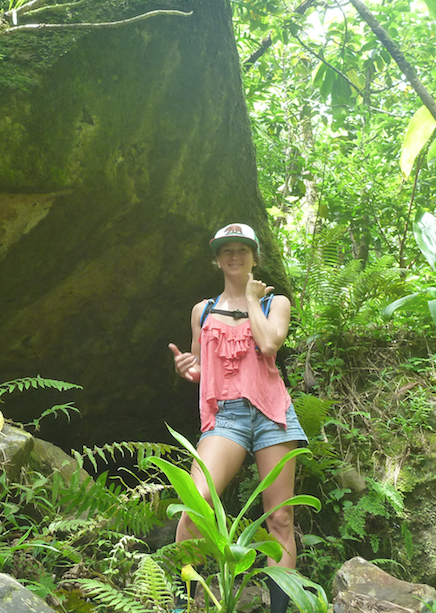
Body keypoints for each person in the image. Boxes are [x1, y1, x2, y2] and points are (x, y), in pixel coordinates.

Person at [168, 222, 307, 613]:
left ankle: (278, 608)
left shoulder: (273, 304)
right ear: (216, 259)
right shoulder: (203, 310)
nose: (234, 255)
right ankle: (181, 604)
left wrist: (249, 298)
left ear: (255, 257)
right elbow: (201, 367)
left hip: (272, 415)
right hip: (226, 416)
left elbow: (267, 343)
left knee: (279, 517)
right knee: (198, 502)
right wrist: (187, 369)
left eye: (242, 249)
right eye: (226, 250)